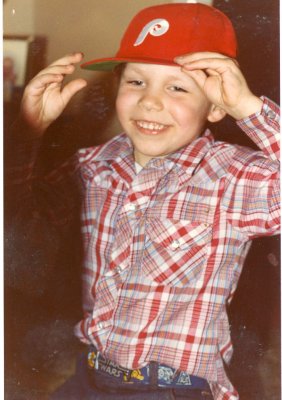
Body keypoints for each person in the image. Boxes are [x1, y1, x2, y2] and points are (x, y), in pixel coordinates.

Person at [7, 3, 280, 400]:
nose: (150, 102)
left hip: (174, 388)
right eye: (136, 82)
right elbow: (16, 230)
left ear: (218, 104)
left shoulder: (231, 177)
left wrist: (249, 109)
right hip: (91, 377)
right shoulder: (93, 165)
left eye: (177, 87)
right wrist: (27, 131)